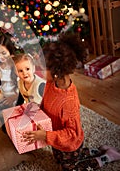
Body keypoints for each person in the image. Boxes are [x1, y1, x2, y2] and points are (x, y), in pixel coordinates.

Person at [22, 32, 120, 170]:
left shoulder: (68, 101)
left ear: (56, 72)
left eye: (42, 68)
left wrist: (45, 135)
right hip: (56, 139)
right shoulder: (51, 83)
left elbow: (71, 134)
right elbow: (45, 102)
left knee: (71, 168)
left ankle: (107, 157)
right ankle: (98, 150)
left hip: (70, 143)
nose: (37, 71)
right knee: (59, 159)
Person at [0, 33, 24, 119]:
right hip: (2, 96)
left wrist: (14, 97)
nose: (1, 57)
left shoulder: (17, 64)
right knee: (2, 116)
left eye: (3, 53)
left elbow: (24, 85)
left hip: (18, 95)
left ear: (10, 50)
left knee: (18, 116)